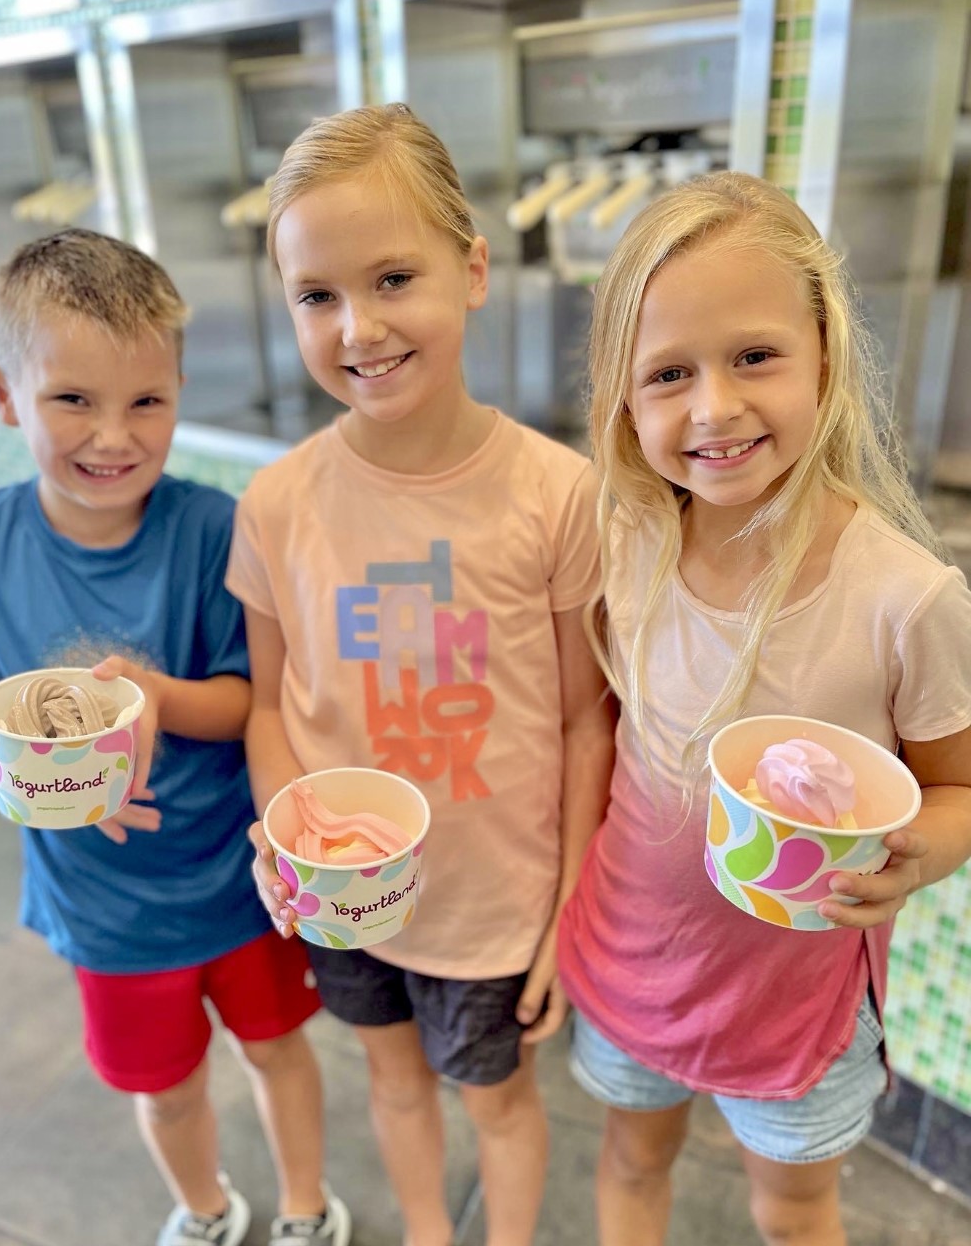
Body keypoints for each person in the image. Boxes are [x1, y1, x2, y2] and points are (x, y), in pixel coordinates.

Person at [556, 170, 971, 1246]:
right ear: (623, 398)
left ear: (824, 353)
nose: (714, 407)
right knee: (630, 1162)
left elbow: (958, 788)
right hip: (634, 954)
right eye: (668, 373)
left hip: (797, 998)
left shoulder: (906, 597)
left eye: (754, 356)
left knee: (794, 1212)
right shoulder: (626, 541)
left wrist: (911, 859)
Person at [229, 103, 616, 1246]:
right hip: (344, 898)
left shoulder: (557, 494)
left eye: (394, 278)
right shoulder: (277, 502)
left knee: (496, 1102)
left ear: (474, 270)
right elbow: (269, 703)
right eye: (316, 295)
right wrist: (286, 838)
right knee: (392, 1082)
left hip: (493, 905)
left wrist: (566, 909)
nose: (359, 326)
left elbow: (586, 722)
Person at [0, 229, 351, 1246]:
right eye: (72, 398)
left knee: (278, 1050)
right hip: (104, 906)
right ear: (4, 395)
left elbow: (250, 698)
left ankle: (306, 1207)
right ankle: (205, 1209)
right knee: (164, 1087)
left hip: (237, 879)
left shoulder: (217, 527)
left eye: (146, 402)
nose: (112, 435)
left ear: (179, 392)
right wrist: (40, 759)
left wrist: (158, 697)